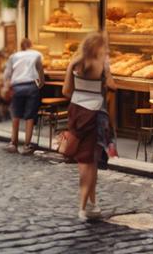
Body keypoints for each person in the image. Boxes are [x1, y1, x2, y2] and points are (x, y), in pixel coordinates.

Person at [62, 32, 116, 221]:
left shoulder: (75, 63)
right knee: (90, 161)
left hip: (76, 112)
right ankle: (83, 206)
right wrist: (107, 74)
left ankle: (92, 204)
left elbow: (66, 91)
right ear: (97, 48)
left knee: (85, 160)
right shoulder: (102, 66)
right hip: (94, 114)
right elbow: (112, 86)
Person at [4, 38, 45, 154]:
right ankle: (27, 145)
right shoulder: (36, 54)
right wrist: (41, 84)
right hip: (31, 86)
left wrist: (7, 86)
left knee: (16, 115)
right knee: (29, 116)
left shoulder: (14, 56)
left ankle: (13, 143)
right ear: (30, 45)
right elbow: (40, 70)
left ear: (21, 46)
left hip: (17, 86)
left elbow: (7, 74)